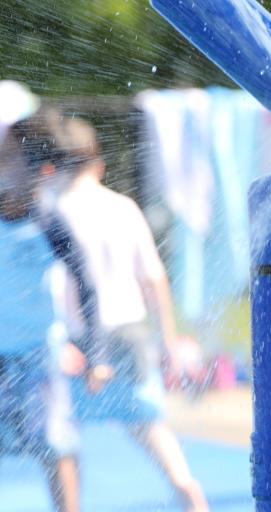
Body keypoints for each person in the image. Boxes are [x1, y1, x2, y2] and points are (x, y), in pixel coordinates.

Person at [52, 117, 209, 512]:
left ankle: (69, 505)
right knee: (146, 423)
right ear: (99, 164)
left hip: (80, 337)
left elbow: (57, 285)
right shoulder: (123, 207)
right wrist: (169, 339)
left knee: (63, 432)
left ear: (54, 165)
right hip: (131, 328)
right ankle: (184, 484)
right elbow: (155, 278)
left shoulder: (55, 212)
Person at [0, 112, 104, 512]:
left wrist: (97, 353)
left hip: (36, 356)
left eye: (7, 158)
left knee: (55, 444)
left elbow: (88, 284)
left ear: (42, 172)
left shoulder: (48, 222)